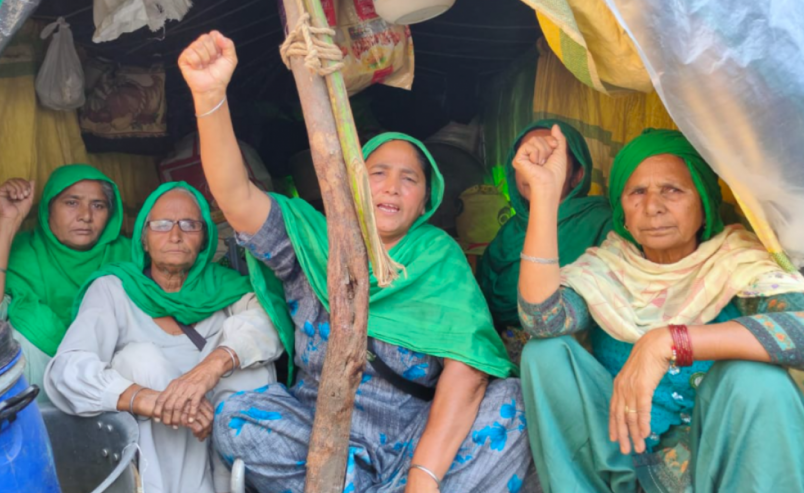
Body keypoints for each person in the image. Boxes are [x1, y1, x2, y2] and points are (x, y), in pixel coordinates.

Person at [177, 31, 533, 493]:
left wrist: (422, 478)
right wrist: (209, 97)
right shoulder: (313, 240)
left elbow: (467, 373)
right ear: (351, 183)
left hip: (417, 444)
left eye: (409, 179)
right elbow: (236, 197)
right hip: (317, 436)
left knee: (512, 403)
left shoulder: (438, 259)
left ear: (426, 200)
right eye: (377, 173)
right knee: (236, 416)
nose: (391, 187)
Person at [515, 127, 804, 492]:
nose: (652, 207)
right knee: (544, 353)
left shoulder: (738, 264)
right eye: (637, 192)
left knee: (757, 379)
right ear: (622, 208)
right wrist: (544, 194)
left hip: (716, 460)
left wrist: (670, 341)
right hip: (620, 455)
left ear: (704, 203)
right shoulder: (607, 269)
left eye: (673, 190)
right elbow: (542, 320)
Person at [45, 182, 285, 493]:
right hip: (158, 446)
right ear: (143, 239)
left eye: (189, 225)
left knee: (249, 363)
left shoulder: (227, 288)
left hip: (219, 440)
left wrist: (208, 370)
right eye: (161, 225)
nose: (175, 235)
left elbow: (269, 325)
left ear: (204, 238)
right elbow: (68, 369)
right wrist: (151, 400)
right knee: (141, 360)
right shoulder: (114, 288)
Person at [0, 164, 130, 396]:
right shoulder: (22, 253)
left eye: (98, 205)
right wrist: (7, 221)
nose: (85, 216)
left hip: (113, 393)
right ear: (48, 208)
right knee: (26, 323)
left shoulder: (128, 255)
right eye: (71, 203)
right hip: (37, 396)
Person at [477, 120, 612, 364]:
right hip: (497, 354)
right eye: (527, 154)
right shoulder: (509, 231)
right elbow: (480, 304)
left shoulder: (601, 222)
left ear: (578, 175)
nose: (535, 164)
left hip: (569, 357)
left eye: (549, 155)